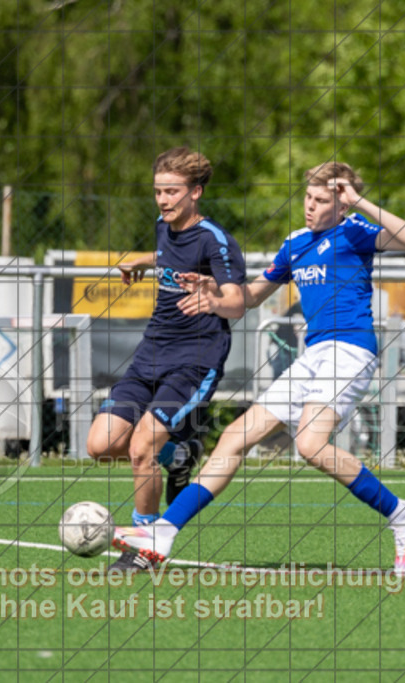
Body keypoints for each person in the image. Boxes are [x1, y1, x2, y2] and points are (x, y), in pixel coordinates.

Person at [112, 161, 405, 576]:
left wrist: (359, 202)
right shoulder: (295, 243)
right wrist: (211, 288)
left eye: (320, 200)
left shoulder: (355, 231)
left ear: (341, 202)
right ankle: (164, 531)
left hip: (350, 350)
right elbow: (252, 297)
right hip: (314, 354)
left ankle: (402, 513)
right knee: (234, 437)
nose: (309, 207)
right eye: (307, 198)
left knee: (310, 445)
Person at [87, 146, 247, 571]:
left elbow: (238, 301)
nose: (163, 200)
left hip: (195, 360)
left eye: (172, 191)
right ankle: (177, 457)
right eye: (158, 191)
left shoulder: (215, 239)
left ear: (195, 192)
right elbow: (167, 257)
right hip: (151, 351)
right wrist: (143, 260)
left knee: (142, 447)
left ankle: (143, 547)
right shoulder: (163, 226)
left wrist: (214, 297)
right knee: (100, 445)